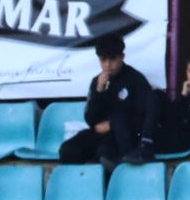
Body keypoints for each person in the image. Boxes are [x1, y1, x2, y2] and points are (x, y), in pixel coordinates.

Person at [59, 32, 151, 168]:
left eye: (112, 59)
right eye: (103, 60)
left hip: (125, 134)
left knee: (105, 151)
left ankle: (116, 168)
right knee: (68, 150)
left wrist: (113, 124)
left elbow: (144, 117)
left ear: (122, 57)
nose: (108, 65)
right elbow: (91, 119)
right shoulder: (97, 82)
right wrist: (99, 91)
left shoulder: (136, 79)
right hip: (101, 133)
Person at [139, 50, 190, 161]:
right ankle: (145, 144)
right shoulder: (189, 94)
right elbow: (178, 114)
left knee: (157, 95)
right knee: (154, 96)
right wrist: (183, 96)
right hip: (177, 135)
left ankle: (146, 144)